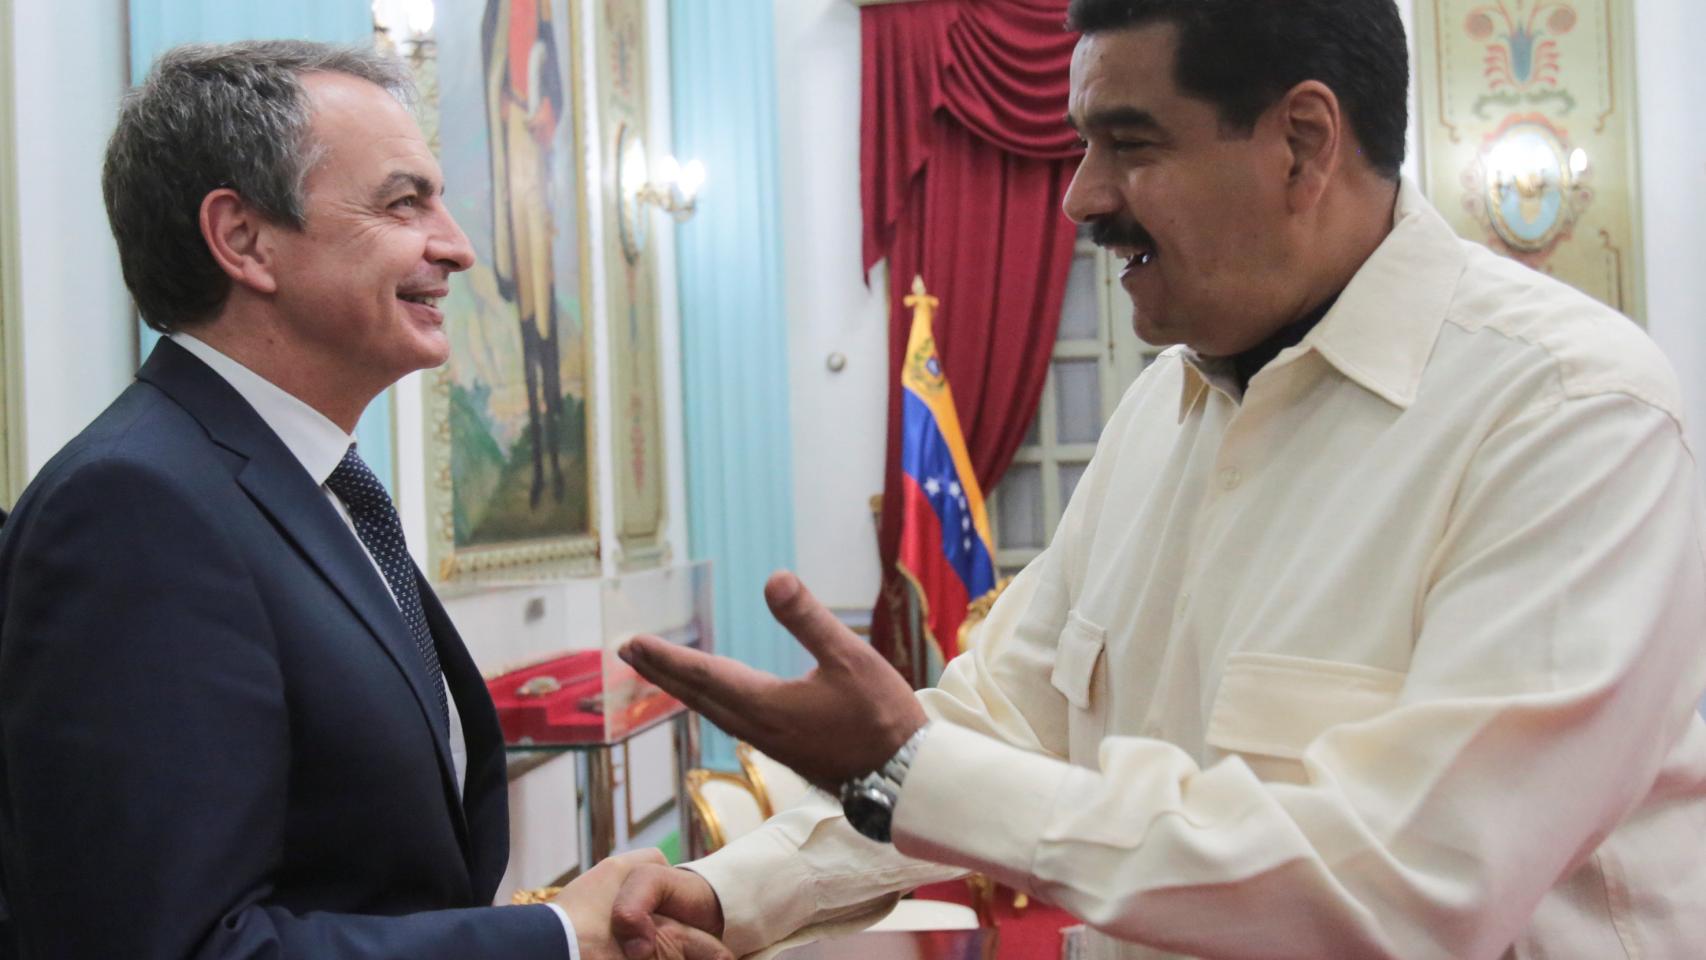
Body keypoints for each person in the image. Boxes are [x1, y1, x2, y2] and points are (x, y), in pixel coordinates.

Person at [608, 1, 1706, 957]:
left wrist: (914, 776)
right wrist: (726, 891)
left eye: (1127, 145)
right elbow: (1002, 724)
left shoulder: (1567, 413)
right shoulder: (1158, 416)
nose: (1080, 199)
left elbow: (1417, 887)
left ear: (1301, 144)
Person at [0, 41, 726, 960]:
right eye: (403, 201)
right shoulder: (132, 508)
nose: (457, 246)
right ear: (243, 240)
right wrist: (552, 939)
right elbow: (173, 946)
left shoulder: (306, 483)